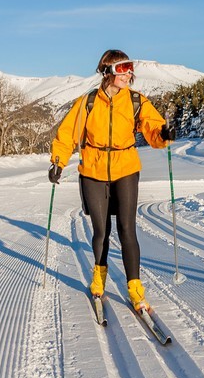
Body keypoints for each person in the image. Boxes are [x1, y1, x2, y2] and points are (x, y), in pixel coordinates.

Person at [49, 49, 175, 314]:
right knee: (101, 230)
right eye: (121, 68)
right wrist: (58, 161)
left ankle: (135, 288)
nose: (127, 73)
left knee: (127, 229)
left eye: (129, 67)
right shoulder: (88, 102)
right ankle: (98, 280)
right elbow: (68, 133)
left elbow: (153, 129)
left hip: (126, 167)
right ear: (107, 71)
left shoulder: (137, 101)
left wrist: (163, 134)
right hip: (93, 171)